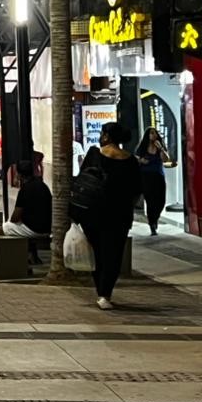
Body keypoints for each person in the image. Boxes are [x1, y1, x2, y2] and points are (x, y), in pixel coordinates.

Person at [75, 122, 142, 310]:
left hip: (93, 213)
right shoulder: (131, 161)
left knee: (97, 253)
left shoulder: (94, 155)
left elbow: (83, 182)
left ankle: (100, 292)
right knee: (113, 255)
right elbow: (137, 190)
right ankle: (106, 293)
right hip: (119, 215)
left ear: (106, 136)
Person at [0, 160, 52, 237]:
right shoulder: (43, 186)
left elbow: (15, 218)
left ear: (19, 175)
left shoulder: (25, 189)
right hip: (47, 229)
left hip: (34, 230)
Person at [135, 128, 171, 235]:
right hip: (146, 176)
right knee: (150, 201)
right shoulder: (143, 147)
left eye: (155, 133)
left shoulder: (159, 146)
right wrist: (141, 160)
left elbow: (166, 159)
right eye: (151, 133)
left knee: (161, 200)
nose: (153, 135)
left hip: (158, 176)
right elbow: (136, 157)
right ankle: (152, 224)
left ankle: (155, 217)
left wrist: (160, 149)